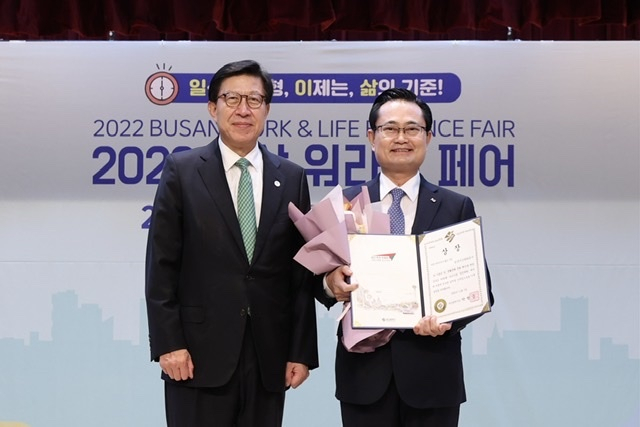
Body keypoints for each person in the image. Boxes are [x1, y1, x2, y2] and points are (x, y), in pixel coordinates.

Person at [145, 59, 319, 427]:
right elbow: (161, 266)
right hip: (195, 355)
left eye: (254, 100)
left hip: (268, 356)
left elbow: (300, 274)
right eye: (232, 99)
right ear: (213, 107)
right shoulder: (182, 171)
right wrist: (168, 344)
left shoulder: (292, 177)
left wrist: (301, 352)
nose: (243, 110)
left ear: (267, 109)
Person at [317, 88, 494, 427]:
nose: (401, 138)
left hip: (433, 373)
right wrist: (329, 284)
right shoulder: (346, 203)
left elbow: (479, 289)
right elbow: (315, 282)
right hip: (364, 374)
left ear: (428, 137)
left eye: (412, 128)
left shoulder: (455, 206)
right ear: (372, 137)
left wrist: (448, 319)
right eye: (390, 129)